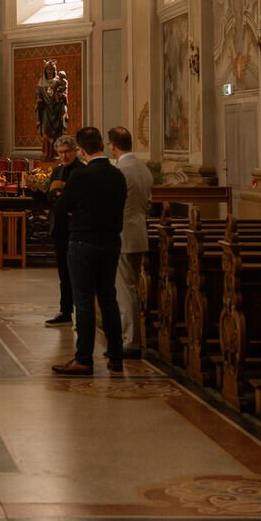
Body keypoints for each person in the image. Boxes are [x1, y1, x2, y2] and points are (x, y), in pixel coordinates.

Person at [51, 126, 127, 376]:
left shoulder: (81, 176)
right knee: (108, 298)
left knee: (83, 302)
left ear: (81, 150)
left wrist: (74, 208)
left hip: (83, 243)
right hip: (111, 242)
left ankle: (84, 359)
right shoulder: (117, 176)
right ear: (103, 146)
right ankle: (116, 357)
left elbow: (61, 208)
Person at [108, 126, 152, 357]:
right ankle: (132, 337)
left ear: (113, 146)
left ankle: (131, 341)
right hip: (139, 232)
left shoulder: (120, 170)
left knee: (125, 291)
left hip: (123, 234)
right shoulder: (143, 169)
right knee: (132, 288)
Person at [43, 134, 82, 327]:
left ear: (75, 151)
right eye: (60, 153)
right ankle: (65, 311)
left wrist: (61, 193)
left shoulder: (82, 171)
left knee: (78, 273)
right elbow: (50, 199)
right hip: (59, 228)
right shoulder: (57, 171)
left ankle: (82, 313)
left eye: (67, 152)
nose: (63, 157)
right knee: (63, 273)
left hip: (75, 229)